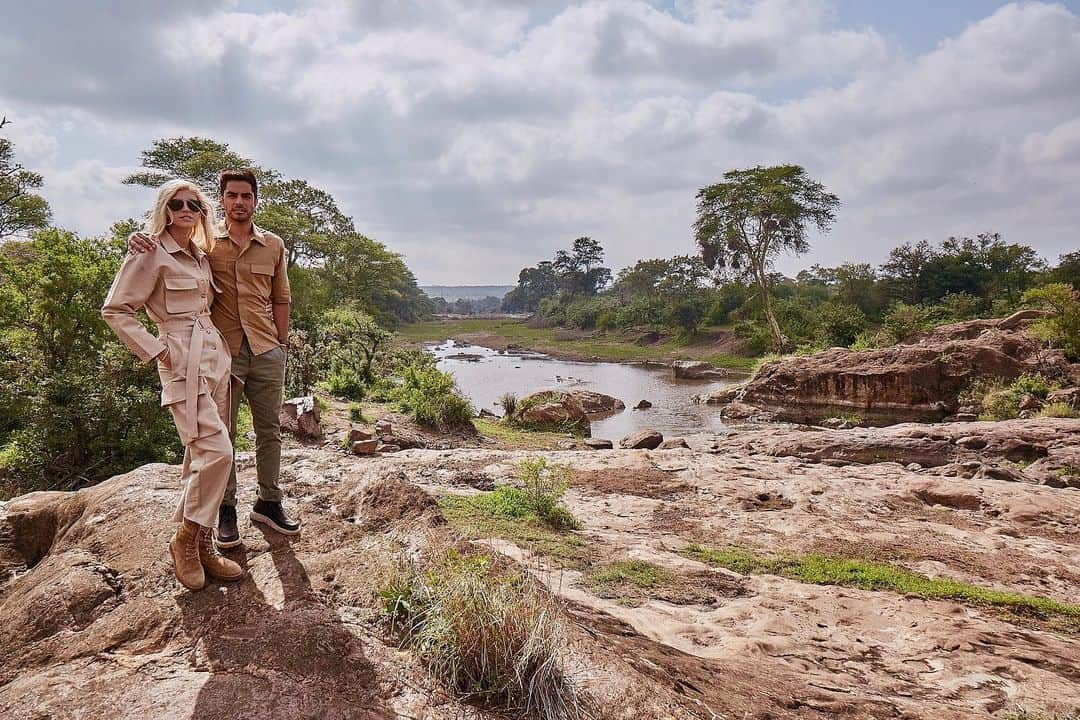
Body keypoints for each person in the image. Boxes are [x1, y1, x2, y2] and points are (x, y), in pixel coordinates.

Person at [129, 169, 299, 548]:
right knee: (224, 434)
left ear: (256, 200)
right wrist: (137, 238)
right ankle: (226, 510)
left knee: (269, 429)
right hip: (223, 354)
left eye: (246, 196)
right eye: (232, 195)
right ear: (221, 200)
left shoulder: (273, 245)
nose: (240, 202)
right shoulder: (205, 244)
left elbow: (281, 297)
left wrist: (282, 343)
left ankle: (269, 502)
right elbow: (167, 246)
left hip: (267, 349)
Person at [102, 179, 244, 591]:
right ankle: (184, 539)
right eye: (177, 203)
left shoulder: (200, 255)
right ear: (165, 208)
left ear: (203, 212)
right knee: (218, 452)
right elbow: (116, 310)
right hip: (181, 360)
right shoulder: (148, 252)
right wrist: (157, 351)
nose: (186, 210)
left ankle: (201, 544)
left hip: (214, 356)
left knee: (199, 455)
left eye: (194, 204)